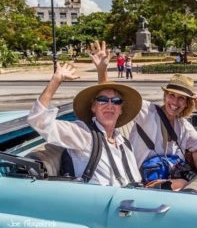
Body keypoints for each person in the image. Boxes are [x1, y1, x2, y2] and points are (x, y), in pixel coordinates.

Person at [91, 41, 197, 190]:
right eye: (171, 95)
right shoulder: (148, 111)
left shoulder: (183, 125)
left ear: (187, 103)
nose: (175, 102)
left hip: (168, 177)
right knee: (183, 184)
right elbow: (111, 95)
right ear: (165, 96)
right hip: (142, 180)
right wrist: (102, 69)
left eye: (181, 98)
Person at [27, 56, 143, 187]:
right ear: (93, 107)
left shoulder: (125, 143)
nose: (109, 105)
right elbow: (38, 120)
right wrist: (56, 80)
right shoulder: (83, 134)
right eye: (103, 100)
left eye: (116, 101)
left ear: (121, 109)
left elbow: (136, 180)